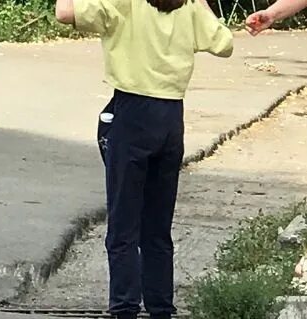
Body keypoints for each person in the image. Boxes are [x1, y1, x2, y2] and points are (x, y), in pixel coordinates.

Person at [54, 0, 234, 319]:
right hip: (171, 117)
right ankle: (161, 308)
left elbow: (65, 13)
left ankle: (124, 307)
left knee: (123, 224)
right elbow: (224, 43)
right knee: (157, 226)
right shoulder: (188, 5)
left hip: (131, 112)